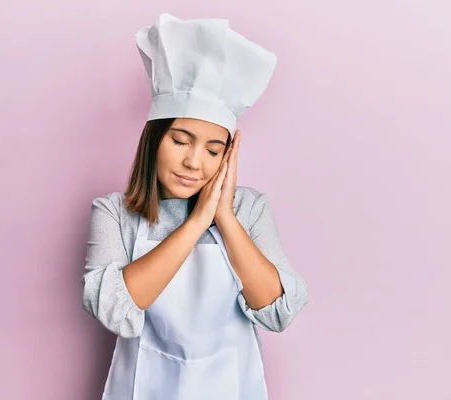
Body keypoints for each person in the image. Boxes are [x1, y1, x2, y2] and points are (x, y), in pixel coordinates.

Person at [81, 13, 309, 400]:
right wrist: (197, 220)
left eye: (213, 150)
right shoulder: (114, 212)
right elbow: (115, 311)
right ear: (154, 140)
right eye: (181, 141)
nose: (194, 162)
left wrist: (224, 217)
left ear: (228, 156)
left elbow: (277, 310)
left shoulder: (249, 209)